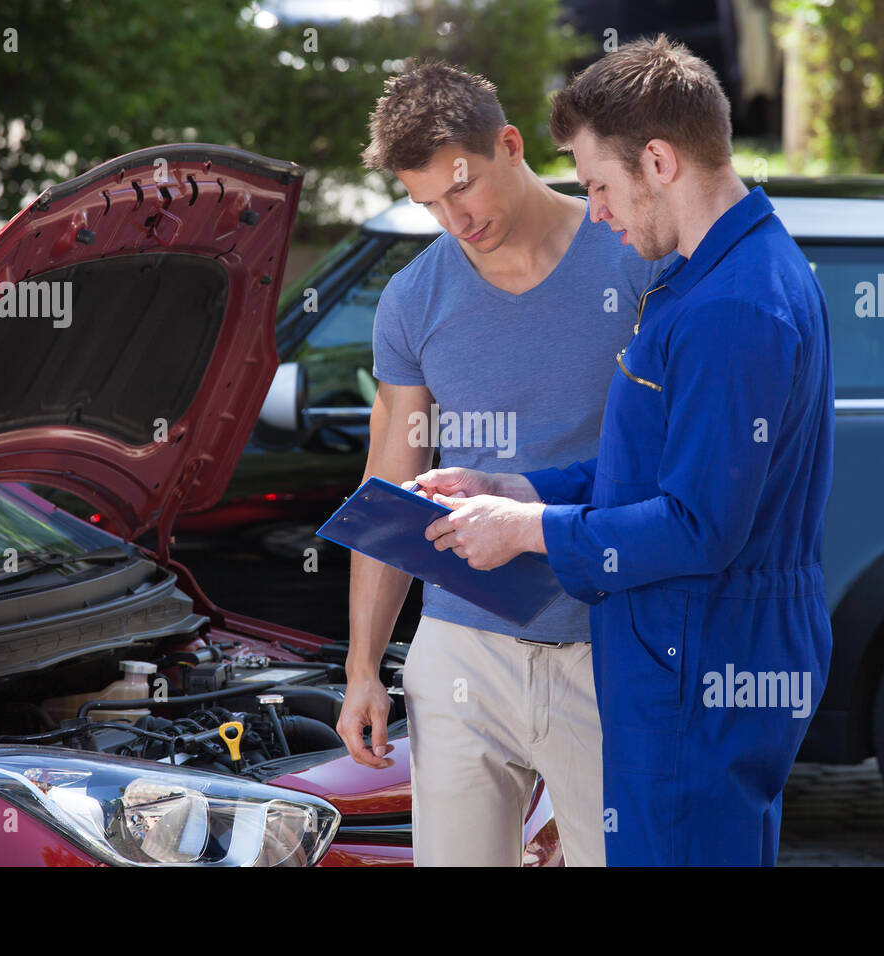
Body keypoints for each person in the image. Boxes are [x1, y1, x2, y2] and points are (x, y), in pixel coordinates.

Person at [412, 36, 835, 866]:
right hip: (693, 657)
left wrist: (527, 533)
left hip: (699, 665)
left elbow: (697, 527)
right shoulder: (707, 276)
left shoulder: (732, 308)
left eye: (601, 185)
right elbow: (651, 470)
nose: (596, 212)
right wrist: (521, 487)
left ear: (660, 161)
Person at [334, 60, 674, 866]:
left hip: (607, 643)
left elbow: (676, 464)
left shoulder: (633, 254)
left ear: (510, 145)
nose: (454, 219)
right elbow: (387, 492)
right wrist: (361, 671)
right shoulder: (413, 300)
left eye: (463, 189)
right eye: (428, 205)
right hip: (462, 649)